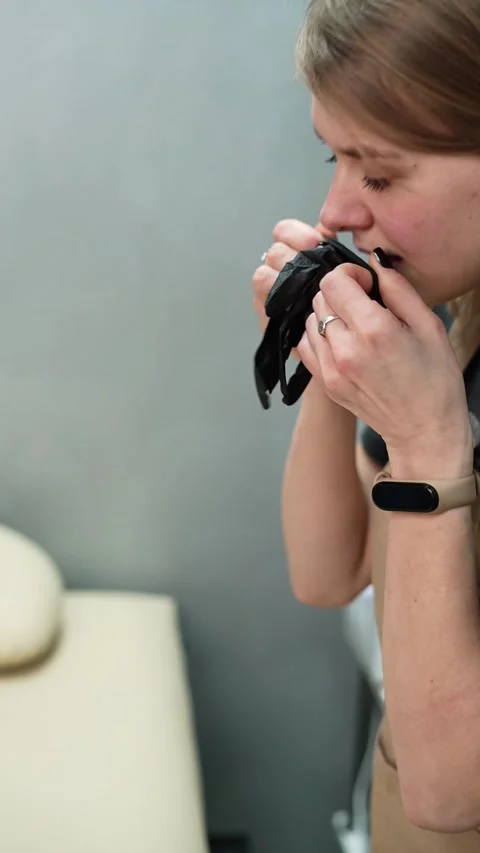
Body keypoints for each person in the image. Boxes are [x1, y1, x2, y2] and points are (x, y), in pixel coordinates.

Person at [251, 1, 480, 850]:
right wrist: (321, 350)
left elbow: (451, 787)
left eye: (377, 174)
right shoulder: (452, 323)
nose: (337, 208)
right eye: (334, 156)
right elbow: (328, 570)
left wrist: (428, 444)